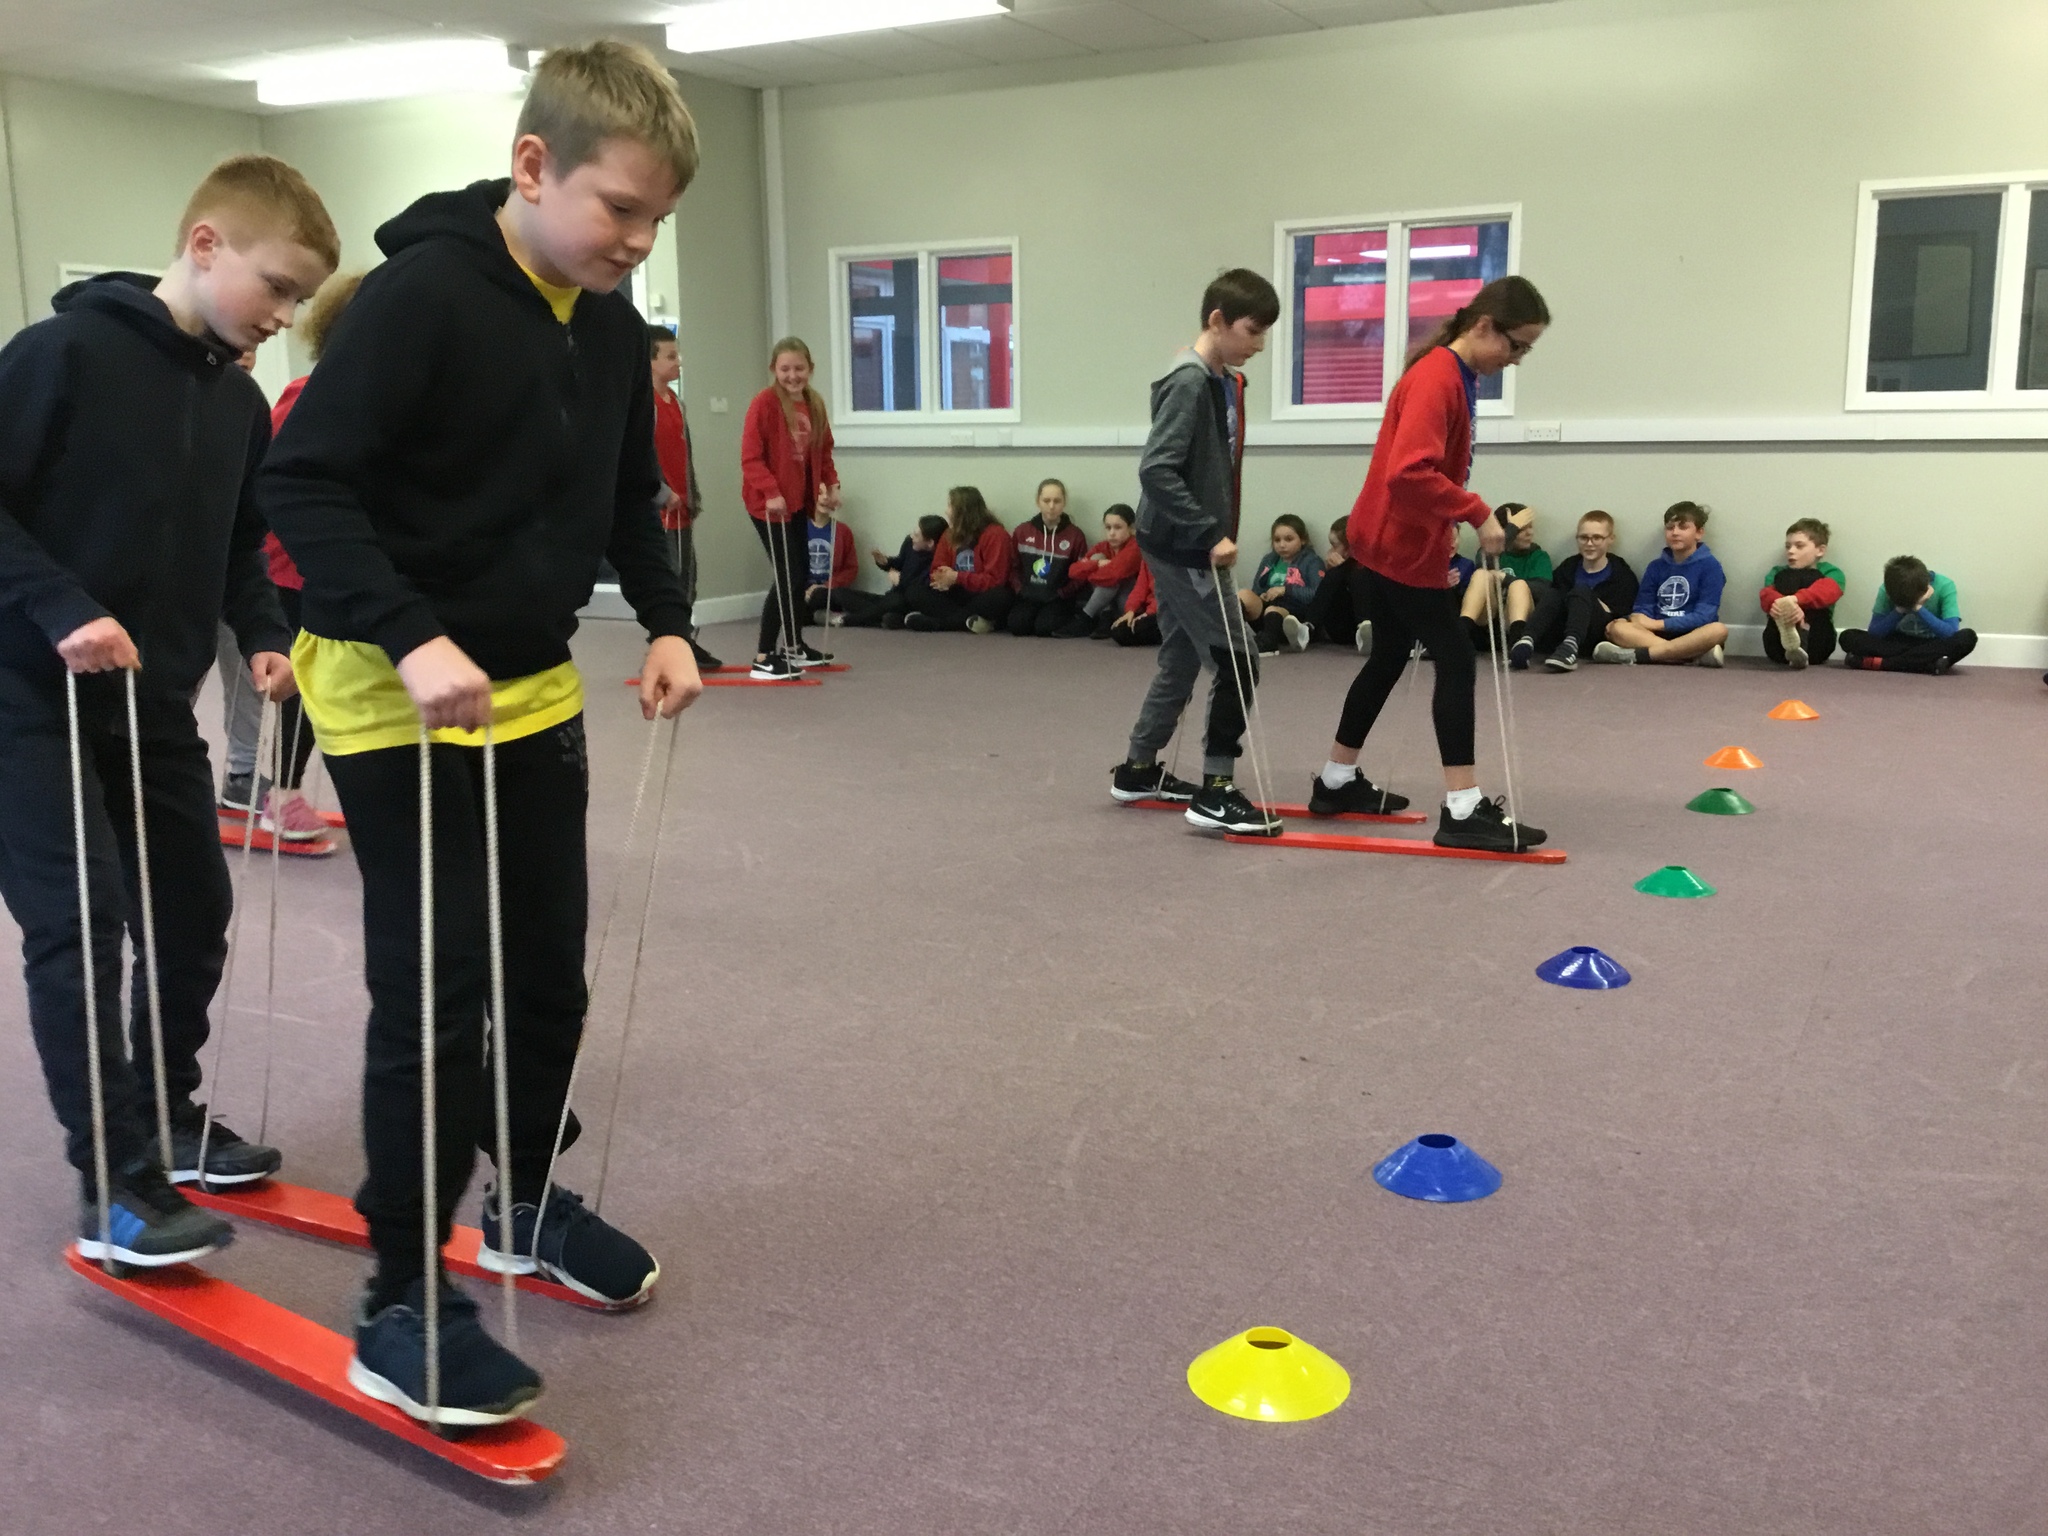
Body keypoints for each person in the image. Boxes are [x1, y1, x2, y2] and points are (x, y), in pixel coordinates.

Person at [260, 41, 704, 1426]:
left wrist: (670, 621)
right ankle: (401, 1298)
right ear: (531, 167)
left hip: (530, 684)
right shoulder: (423, 298)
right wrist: (409, 631)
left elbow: (627, 498)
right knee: (439, 993)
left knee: (548, 982)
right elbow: (302, 482)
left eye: (656, 220)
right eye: (619, 209)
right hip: (388, 692)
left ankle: (521, 1203)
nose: (637, 242)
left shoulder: (610, 325)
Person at [0, 156, 336, 1268]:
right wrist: (61, 605)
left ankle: (164, 1116)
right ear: (204, 245)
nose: (282, 316)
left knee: (192, 911)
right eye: (275, 287)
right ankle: (115, 1182)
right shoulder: (59, 355)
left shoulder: (237, 403)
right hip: (25, 697)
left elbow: (239, 547)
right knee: (82, 923)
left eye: (298, 299)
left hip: (150, 704)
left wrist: (267, 634)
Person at [1309, 276, 1550, 850]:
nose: (1517, 359)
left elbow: (1427, 474)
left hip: (1397, 539)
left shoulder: (1455, 374)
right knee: (1457, 659)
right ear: (1484, 326)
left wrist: (1447, 525)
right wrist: (1476, 511)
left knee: (1390, 654)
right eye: (1516, 345)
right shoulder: (1438, 376)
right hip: (1396, 545)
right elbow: (1408, 472)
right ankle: (1463, 809)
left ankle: (1336, 780)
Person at [1110, 269, 1279, 833]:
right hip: (1182, 546)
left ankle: (1138, 768)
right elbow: (1156, 470)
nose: (1259, 345)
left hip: (1180, 541)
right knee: (1240, 658)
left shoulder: (1219, 380)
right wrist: (1208, 532)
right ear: (1217, 320)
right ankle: (1216, 790)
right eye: (1252, 331)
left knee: (1183, 656)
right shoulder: (1188, 382)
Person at [214, 271, 368, 852]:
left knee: (327, 681)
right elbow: (271, 485)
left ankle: (263, 784)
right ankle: (274, 791)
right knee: (289, 682)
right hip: (289, 567)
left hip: (334, 567)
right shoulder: (308, 396)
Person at [741, 337, 840, 679]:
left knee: (800, 575)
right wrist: (770, 491)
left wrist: (831, 485)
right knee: (787, 576)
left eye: (799, 368)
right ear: (774, 369)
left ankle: (794, 646)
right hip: (768, 506)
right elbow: (750, 457)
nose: (792, 375)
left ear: (810, 369)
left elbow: (823, 452)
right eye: (785, 369)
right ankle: (763, 655)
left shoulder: (814, 404)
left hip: (798, 503)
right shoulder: (764, 403)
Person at [650, 323, 721, 671]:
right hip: (658, 509)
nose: (678, 362)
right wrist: (661, 491)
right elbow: (638, 457)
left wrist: (693, 495)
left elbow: (685, 454)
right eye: (670, 356)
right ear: (650, 361)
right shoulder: (642, 404)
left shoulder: (677, 403)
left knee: (688, 578)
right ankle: (664, 645)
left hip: (683, 507)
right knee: (668, 580)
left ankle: (683, 639)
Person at [1594, 501, 1729, 667]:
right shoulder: (1655, 567)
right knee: (1616, 627)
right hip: (1655, 635)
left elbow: (1704, 616)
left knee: (1718, 630)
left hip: (1693, 634)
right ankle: (1691, 656)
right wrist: (1639, 618)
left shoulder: (1711, 566)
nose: (1675, 532)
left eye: (1683, 527)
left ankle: (1639, 655)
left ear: (1699, 533)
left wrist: (1657, 624)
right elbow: (1643, 607)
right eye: (1670, 528)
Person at [1524, 510, 1637, 673]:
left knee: (1580, 592)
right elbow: (1552, 603)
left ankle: (1570, 647)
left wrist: (1586, 600)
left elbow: (1622, 616)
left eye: (1597, 538)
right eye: (1584, 538)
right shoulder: (1568, 567)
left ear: (1610, 539)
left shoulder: (1621, 574)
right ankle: (1526, 642)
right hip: (1561, 631)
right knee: (1554, 593)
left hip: (1596, 636)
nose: (1589, 544)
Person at [904, 486, 1014, 633]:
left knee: (1001, 596)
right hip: (955, 591)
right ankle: (972, 622)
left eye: (950, 506)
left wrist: (958, 577)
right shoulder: (949, 534)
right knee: (914, 592)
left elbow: (995, 580)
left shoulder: (996, 534)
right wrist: (943, 578)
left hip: (981, 593)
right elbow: (936, 569)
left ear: (963, 511)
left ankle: (940, 624)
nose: (946, 511)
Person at [1840, 556, 1976, 673]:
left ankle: (1885, 664)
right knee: (1848, 637)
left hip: (1931, 643)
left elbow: (1950, 632)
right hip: (1897, 642)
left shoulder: (1945, 585)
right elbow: (1875, 632)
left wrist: (1919, 608)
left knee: (1967, 638)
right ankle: (1926, 665)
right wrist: (1900, 610)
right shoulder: (1887, 588)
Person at [1007, 478, 1090, 637]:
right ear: (1038, 501)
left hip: (1057, 597)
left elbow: (1081, 574)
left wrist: (1062, 593)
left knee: (1044, 628)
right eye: (1046, 501)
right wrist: (1020, 589)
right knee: (1017, 626)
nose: (1051, 506)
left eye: (1057, 501)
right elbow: (1013, 566)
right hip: (1029, 595)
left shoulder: (1075, 535)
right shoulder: (1022, 531)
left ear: (1064, 502)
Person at [1759, 517, 1844, 669]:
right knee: (1786, 576)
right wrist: (1781, 605)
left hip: (1817, 643)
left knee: (1811, 576)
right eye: (1788, 547)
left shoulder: (1832, 572)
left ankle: (1802, 634)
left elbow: (1828, 592)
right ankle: (1791, 637)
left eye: (1799, 546)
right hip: (1778, 646)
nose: (1791, 551)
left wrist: (1794, 600)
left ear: (1820, 550)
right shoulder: (1777, 572)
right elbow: (1766, 595)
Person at [1470, 503, 1548, 666]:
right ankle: (1463, 631)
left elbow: (1543, 590)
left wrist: (1506, 578)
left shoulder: (1538, 556)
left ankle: (1516, 645)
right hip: (1490, 624)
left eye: (1530, 527)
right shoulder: (1490, 554)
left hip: (1519, 623)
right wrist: (1511, 529)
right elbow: (1482, 563)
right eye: (1522, 528)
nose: (1530, 533)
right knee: (1481, 574)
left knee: (1518, 585)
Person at [840, 514, 944, 628]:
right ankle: (887, 619)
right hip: (893, 596)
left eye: (917, 535)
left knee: (894, 602)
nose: (912, 536)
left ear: (930, 543)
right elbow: (899, 563)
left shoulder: (939, 560)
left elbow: (919, 591)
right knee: (840, 593)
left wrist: (900, 581)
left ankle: (852, 620)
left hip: (907, 601)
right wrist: (886, 562)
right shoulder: (909, 542)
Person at [1240, 513, 1324, 654]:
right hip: (1267, 612)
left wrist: (1286, 590)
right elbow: (1257, 588)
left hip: (1295, 616)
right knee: (1244, 595)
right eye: (1277, 540)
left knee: (1274, 609)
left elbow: (1318, 595)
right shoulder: (1269, 560)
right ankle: (1231, 638)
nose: (1282, 545)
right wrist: (1263, 595)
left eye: (1289, 539)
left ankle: (1269, 644)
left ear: (1303, 540)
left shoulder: (1312, 561)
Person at [1056, 503, 1142, 638]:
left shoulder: (1135, 547)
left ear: (1131, 529)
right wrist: (1097, 564)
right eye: (1108, 527)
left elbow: (1114, 575)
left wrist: (1089, 572)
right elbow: (1073, 571)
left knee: (1110, 581)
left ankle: (1086, 617)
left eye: (1118, 527)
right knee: (1097, 558)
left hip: (1131, 605)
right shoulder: (1103, 546)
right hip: (1110, 600)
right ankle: (1106, 617)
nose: (1112, 533)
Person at [1305, 519, 1371, 652]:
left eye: (1334, 546)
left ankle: (1365, 632)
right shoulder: (1335, 574)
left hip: (1371, 626)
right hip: (1342, 630)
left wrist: (1345, 569)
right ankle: (1308, 628)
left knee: (1355, 573)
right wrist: (1336, 572)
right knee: (1336, 574)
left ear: (1349, 549)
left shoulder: (1369, 569)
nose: (1330, 551)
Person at [800, 502, 858, 624]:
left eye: (829, 493)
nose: (825, 497)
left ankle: (818, 615)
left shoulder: (843, 531)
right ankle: (821, 616)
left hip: (829, 591)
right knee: (790, 606)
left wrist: (827, 585)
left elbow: (851, 569)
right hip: (804, 591)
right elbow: (791, 567)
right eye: (820, 493)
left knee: (823, 597)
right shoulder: (799, 529)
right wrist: (804, 590)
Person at [1109, 559, 1161, 647]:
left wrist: (1149, 613)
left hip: (1165, 611)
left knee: (1142, 627)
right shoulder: (1147, 560)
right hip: (1148, 611)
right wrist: (1130, 610)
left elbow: (1168, 595)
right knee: (1119, 630)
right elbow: (1140, 588)